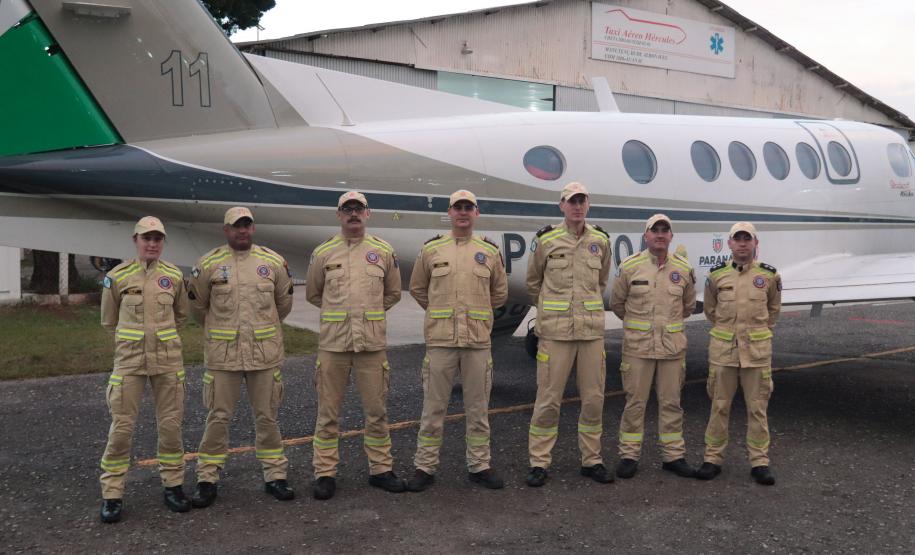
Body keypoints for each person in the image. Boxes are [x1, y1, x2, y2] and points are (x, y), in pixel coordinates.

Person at [187, 206, 295, 507]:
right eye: (236, 226)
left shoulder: (273, 262)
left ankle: (275, 476)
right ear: (226, 230)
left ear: (253, 228)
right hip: (224, 356)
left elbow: (283, 304)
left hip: (264, 354)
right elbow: (197, 308)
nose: (242, 230)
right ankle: (207, 479)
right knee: (218, 417)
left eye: (247, 225)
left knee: (267, 416)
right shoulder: (208, 264)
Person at [405, 189, 509, 492]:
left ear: (476, 213)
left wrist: (476, 314)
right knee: (433, 409)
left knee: (478, 409)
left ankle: (480, 465)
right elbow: (418, 289)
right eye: (458, 207)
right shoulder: (432, 250)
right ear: (449, 212)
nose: (463, 212)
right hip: (441, 340)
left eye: (468, 207)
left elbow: (499, 293)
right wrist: (441, 312)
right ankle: (425, 467)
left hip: (477, 342)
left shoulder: (489, 252)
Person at [305, 191, 405, 499]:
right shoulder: (323, 252)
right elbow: (314, 294)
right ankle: (325, 473)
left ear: (367, 213)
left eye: (358, 209)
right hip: (333, 346)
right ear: (339, 215)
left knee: (376, 412)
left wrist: (367, 315)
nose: (353, 214)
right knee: (327, 414)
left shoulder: (383, 251)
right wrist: (342, 316)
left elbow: (393, 293)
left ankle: (381, 469)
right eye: (347, 209)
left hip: (371, 345)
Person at [98, 216, 189, 523]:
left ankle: (173, 486)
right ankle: (112, 494)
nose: (152, 244)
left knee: (171, 426)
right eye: (146, 238)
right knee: (122, 428)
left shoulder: (174, 276)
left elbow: (181, 316)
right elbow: (109, 321)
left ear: (163, 242)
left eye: (157, 239)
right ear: (135, 240)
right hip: (130, 361)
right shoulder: (117, 276)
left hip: (167, 360)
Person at [525, 182, 613, 487]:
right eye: (571, 201)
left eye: (581, 201)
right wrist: (553, 310)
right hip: (556, 334)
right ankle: (539, 462)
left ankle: (592, 460)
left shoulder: (600, 240)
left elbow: (601, 281)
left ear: (588, 204)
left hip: (590, 333)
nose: (577, 206)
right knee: (548, 400)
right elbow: (533, 282)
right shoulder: (546, 239)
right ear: (561, 205)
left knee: (593, 400)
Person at [610, 214, 697, 479]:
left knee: (672, 403)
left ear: (671, 236)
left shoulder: (683, 269)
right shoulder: (630, 267)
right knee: (635, 404)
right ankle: (629, 456)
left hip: (672, 349)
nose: (660, 234)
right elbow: (617, 304)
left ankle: (673, 456)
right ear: (646, 236)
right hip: (638, 348)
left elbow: (688, 306)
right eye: (654, 230)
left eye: (664, 230)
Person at [697, 222, 782, 485]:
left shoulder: (769, 276)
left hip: (756, 353)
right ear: (730, 243)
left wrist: (755, 334)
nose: (743, 243)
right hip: (724, 352)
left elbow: (773, 312)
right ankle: (712, 459)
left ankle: (759, 462)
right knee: (719, 406)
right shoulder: (716, 276)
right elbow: (710, 310)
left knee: (757, 409)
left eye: (748, 238)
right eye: (738, 238)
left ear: (756, 243)